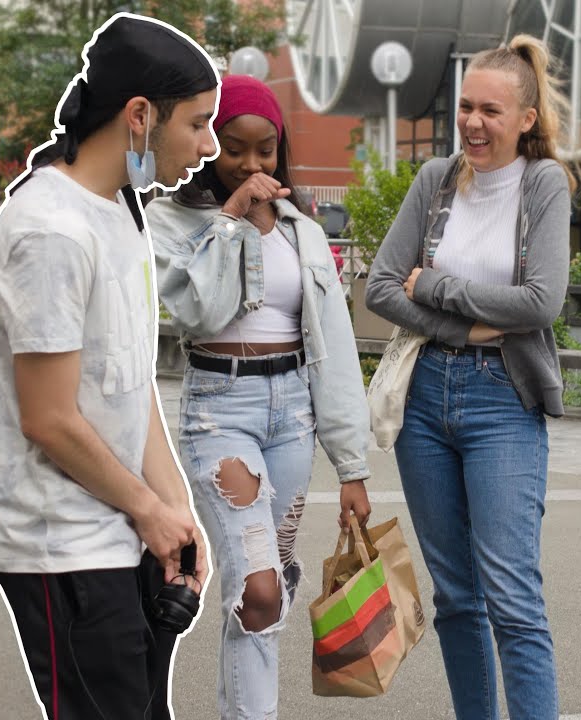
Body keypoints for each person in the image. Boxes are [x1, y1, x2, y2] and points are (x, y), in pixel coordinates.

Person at [0, 13, 218, 720]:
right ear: (140, 116)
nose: (208, 145)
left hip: (121, 533)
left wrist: (175, 512)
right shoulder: (50, 230)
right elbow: (49, 418)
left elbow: (129, 382)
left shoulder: (118, 211)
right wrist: (149, 511)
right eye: (197, 124)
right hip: (61, 546)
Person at [364, 35, 578, 720]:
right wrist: (463, 328)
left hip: (502, 400)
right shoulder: (435, 182)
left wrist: (441, 289)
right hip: (425, 397)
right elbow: (381, 288)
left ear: (525, 117)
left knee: (512, 596)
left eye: (490, 109)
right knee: (456, 596)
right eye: (464, 107)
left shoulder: (544, 183)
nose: (473, 123)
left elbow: (541, 302)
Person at [145, 73, 371, 719]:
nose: (251, 163)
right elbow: (201, 313)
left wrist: (352, 467)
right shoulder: (173, 222)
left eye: (265, 150)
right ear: (208, 142)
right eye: (234, 147)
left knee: (263, 601)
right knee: (259, 590)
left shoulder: (301, 229)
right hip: (222, 415)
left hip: (294, 418)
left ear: (281, 148)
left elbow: (334, 346)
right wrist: (233, 217)